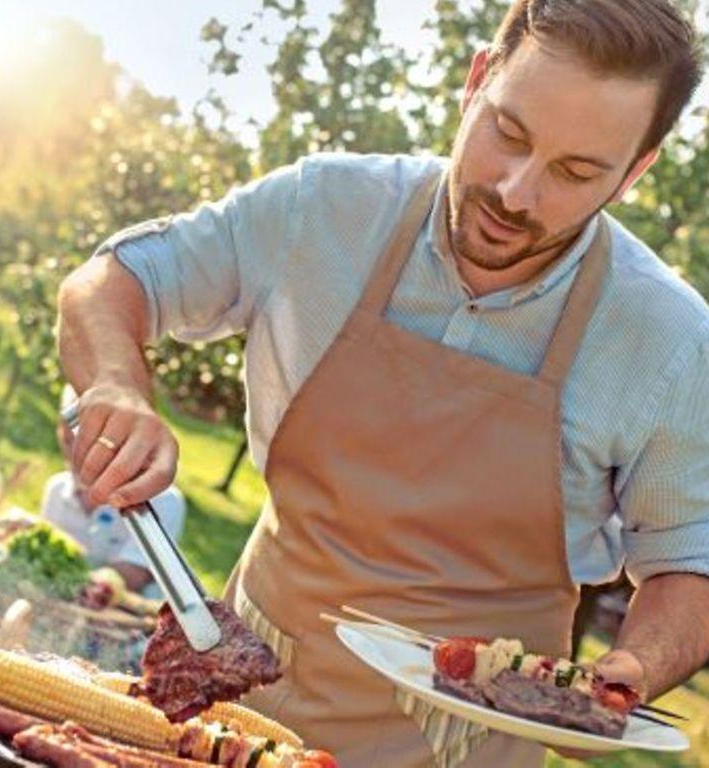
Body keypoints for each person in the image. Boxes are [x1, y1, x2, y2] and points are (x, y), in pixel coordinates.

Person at [56, 2, 709, 765]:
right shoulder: (324, 209)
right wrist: (117, 386)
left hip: (461, 743)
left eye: (575, 172)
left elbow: (690, 560)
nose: (516, 193)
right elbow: (115, 280)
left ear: (634, 172)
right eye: (509, 132)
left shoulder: (669, 341)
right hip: (233, 705)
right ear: (476, 82)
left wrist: (633, 671)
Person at [42, 387, 186, 593]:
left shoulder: (162, 501)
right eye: (68, 436)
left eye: (89, 434)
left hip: (127, 618)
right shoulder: (57, 489)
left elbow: (131, 577)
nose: (76, 451)